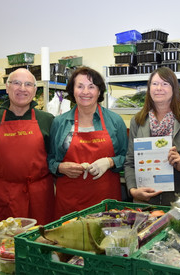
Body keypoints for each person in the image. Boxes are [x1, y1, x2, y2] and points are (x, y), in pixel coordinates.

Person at [48, 66, 128, 219]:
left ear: (99, 91)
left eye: (91, 86)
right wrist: (60, 167)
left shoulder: (115, 121)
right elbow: (49, 159)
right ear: (73, 91)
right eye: (80, 86)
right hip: (70, 201)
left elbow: (127, 158)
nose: (85, 92)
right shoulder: (60, 122)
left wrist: (110, 162)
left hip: (106, 200)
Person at [0, 68, 55, 225]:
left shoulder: (47, 120)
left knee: (39, 242)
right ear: (7, 87)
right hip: (4, 194)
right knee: (5, 244)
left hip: (39, 194)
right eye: (16, 83)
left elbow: (55, 158)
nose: (22, 88)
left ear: (34, 90)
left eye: (28, 84)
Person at [124, 67, 180, 205]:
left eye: (165, 84)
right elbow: (130, 162)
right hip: (146, 199)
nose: (159, 88)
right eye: (154, 84)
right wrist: (132, 190)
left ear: (174, 88)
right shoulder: (138, 121)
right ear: (149, 89)